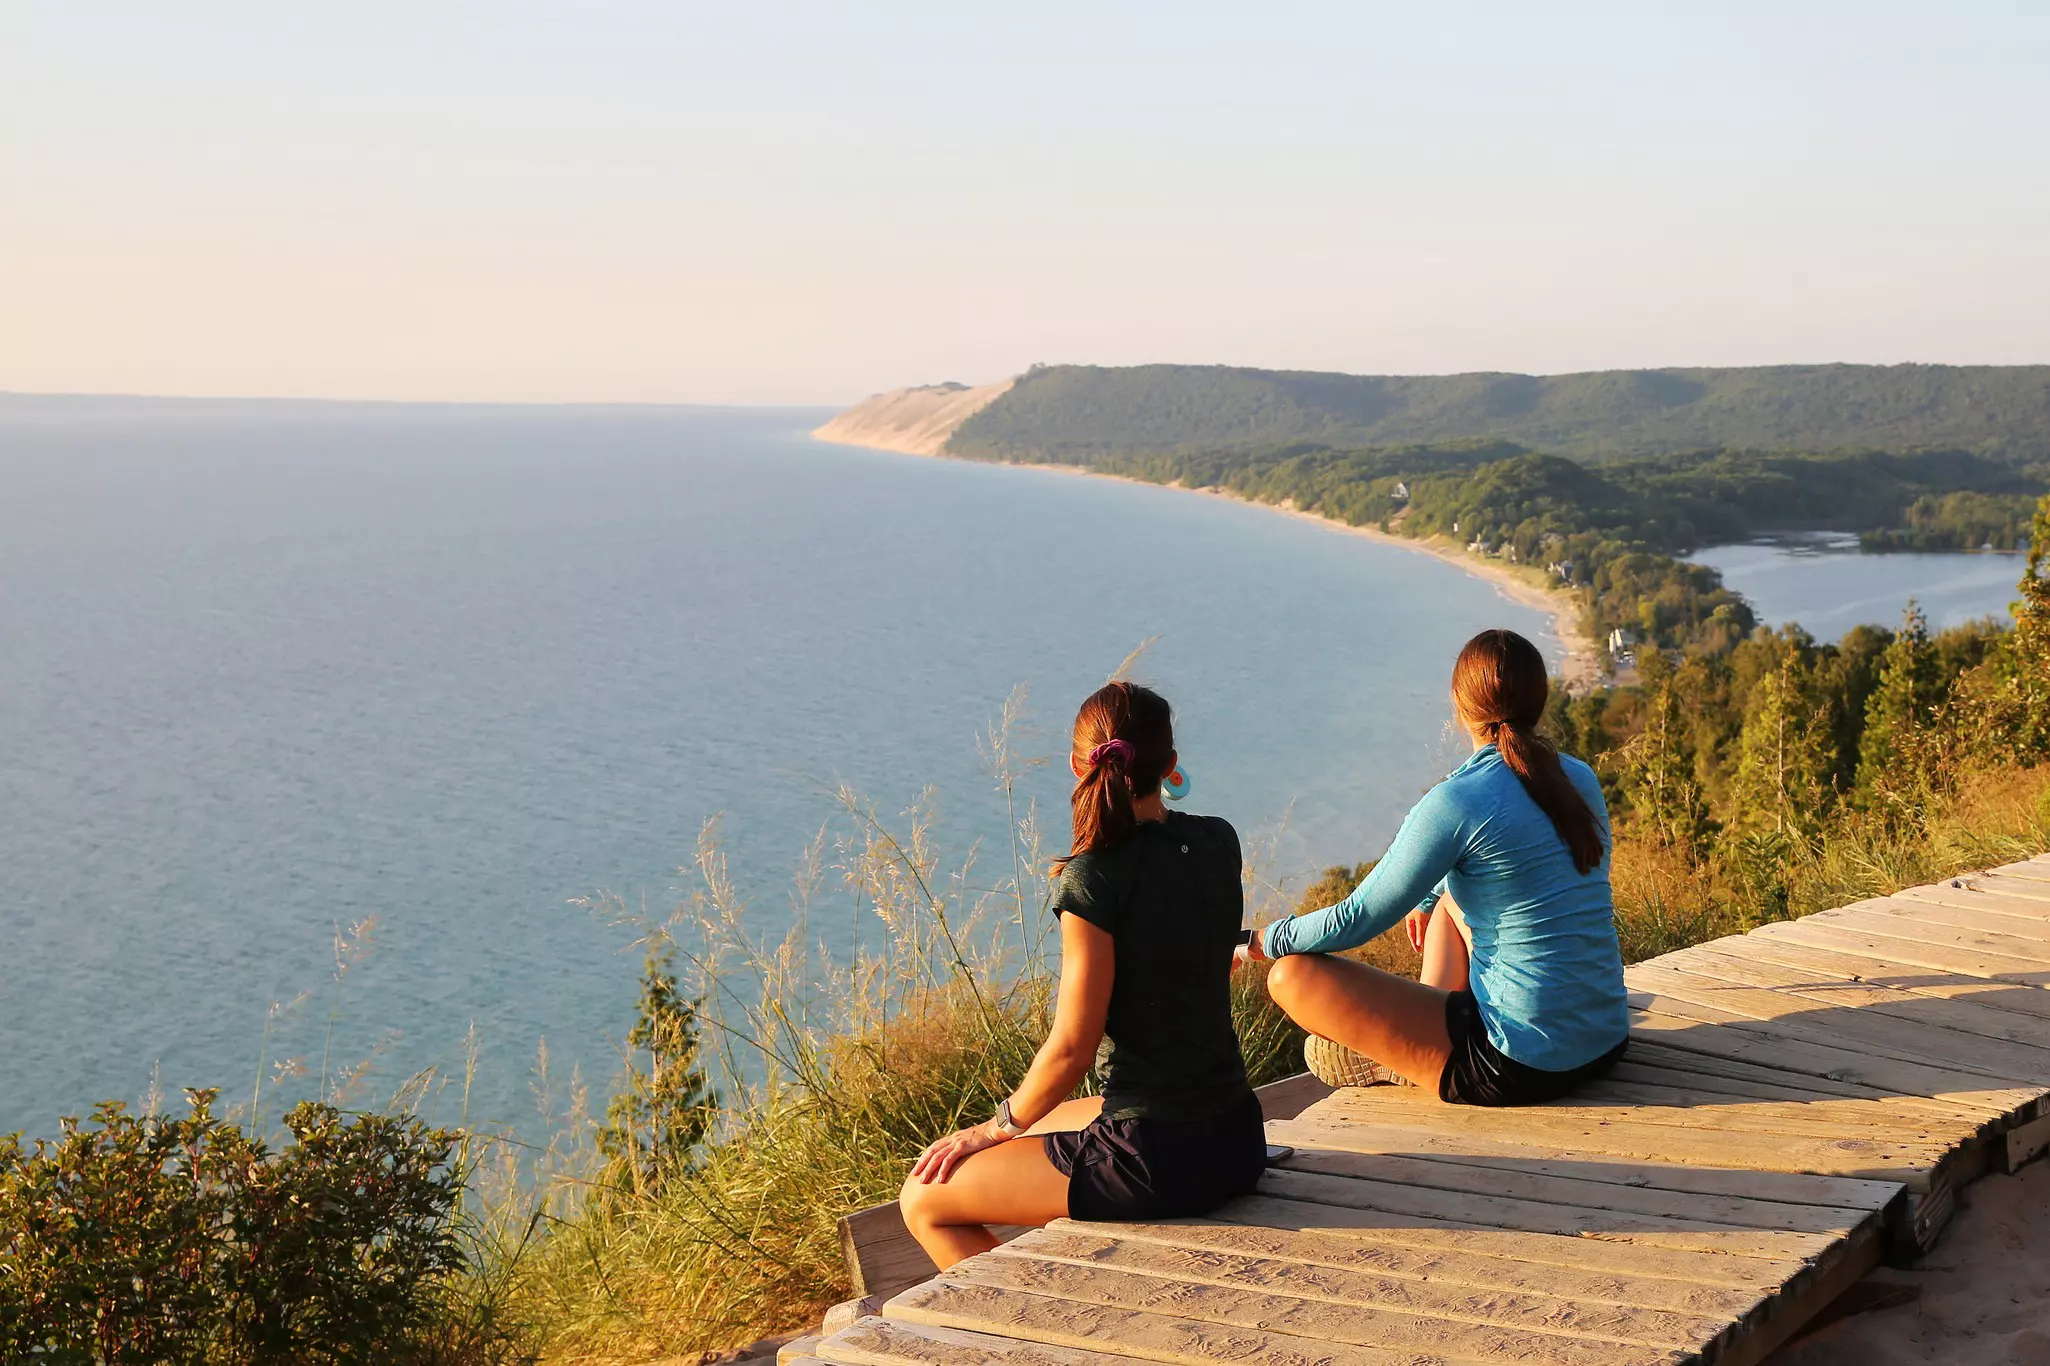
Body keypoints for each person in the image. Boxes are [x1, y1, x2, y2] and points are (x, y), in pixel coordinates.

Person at [898, 681, 1266, 1269]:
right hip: (1238, 1139)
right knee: (1046, 1121)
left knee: (921, 1197)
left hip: (1155, 1160)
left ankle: (1020, 1326)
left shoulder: (1092, 880)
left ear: (1077, 766)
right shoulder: (1217, 841)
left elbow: (1072, 1048)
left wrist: (990, 1130)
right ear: (1170, 766)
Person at [1242, 628, 1629, 1105]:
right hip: (1607, 1040)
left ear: (1460, 706)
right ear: (1540, 700)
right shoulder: (1579, 779)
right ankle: (1424, 1038)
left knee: (1291, 976)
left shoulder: (1456, 801)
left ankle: (1408, 1057)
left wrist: (1259, 942)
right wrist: (1429, 900)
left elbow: (1357, 918)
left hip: (1519, 1066)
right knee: (1449, 899)